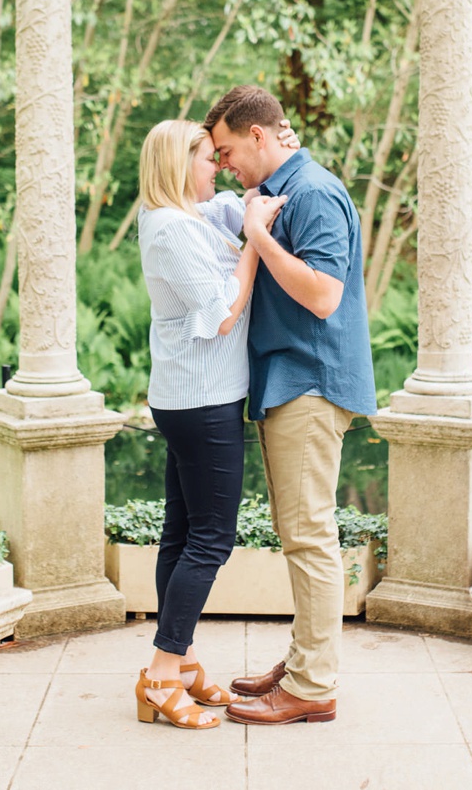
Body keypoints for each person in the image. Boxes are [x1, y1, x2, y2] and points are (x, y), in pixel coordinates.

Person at [205, 85, 378, 726]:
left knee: (309, 538)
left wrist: (259, 234)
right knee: (300, 534)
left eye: (226, 151)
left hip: (310, 381)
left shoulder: (312, 193)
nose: (225, 165)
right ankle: (307, 660)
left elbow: (325, 295)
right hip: (288, 381)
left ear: (258, 136)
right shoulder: (287, 189)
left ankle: (311, 686)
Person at [131, 118, 291, 730]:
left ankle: (184, 662)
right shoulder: (169, 227)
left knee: (182, 532)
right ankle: (162, 672)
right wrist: (255, 239)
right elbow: (224, 313)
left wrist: (253, 202)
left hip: (193, 397)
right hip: (201, 401)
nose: (215, 168)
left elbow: (236, 202)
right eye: (206, 158)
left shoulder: (189, 217)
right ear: (178, 165)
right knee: (211, 540)